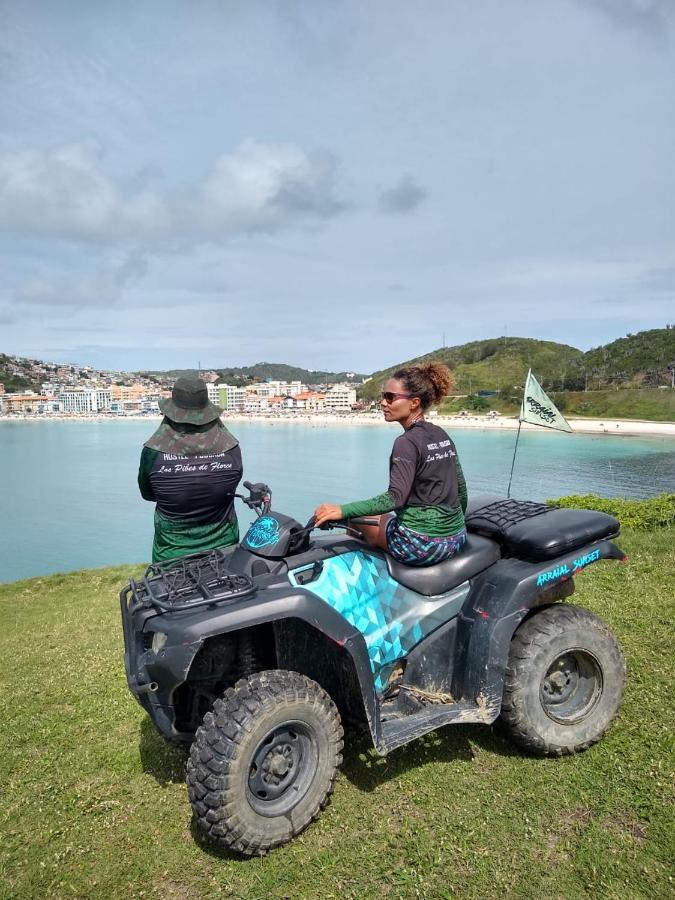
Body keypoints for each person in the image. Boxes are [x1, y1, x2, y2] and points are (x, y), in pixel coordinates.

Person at [313, 362, 467, 566]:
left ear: (414, 403)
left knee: (357, 521)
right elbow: (462, 490)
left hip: (420, 545)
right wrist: (452, 527)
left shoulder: (406, 442)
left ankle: (364, 572)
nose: (383, 403)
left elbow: (395, 498)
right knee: (375, 517)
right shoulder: (441, 434)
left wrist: (342, 510)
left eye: (390, 397)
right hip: (457, 538)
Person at [138, 376, 243, 563]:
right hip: (225, 554)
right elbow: (230, 488)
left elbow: (148, 494)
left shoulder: (153, 452)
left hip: (171, 557)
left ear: (170, 414)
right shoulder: (231, 448)